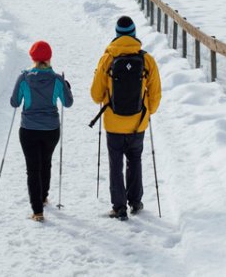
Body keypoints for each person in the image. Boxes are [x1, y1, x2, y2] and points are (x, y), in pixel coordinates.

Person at [90, 15, 161, 220]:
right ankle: (136, 201)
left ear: (117, 34)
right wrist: (149, 111)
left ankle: (119, 206)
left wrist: (108, 97)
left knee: (115, 163)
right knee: (135, 160)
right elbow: (155, 93)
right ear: (134, 34)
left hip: (113, 122)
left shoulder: (107, 59)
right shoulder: (147, 60)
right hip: (138, 122)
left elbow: (96, 95)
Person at [10, 40, 73, 222]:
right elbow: (68, 103)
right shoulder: (57, 79)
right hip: (51, 129)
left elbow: (14, 102)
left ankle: (37, 211)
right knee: (46, 162)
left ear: (33, 58)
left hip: (29, 129)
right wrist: (66, 87)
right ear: (49, 57)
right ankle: (43, 196)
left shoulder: (24, 78)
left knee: (33, 168)